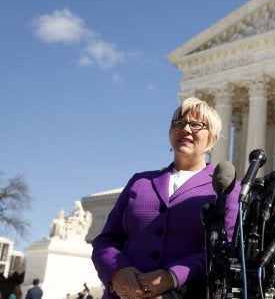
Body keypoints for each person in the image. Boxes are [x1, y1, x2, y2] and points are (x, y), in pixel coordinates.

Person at [91, 97, 240, 299]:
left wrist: (172, 277)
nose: (186, 129)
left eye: (196, 125)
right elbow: (106, 239)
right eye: (179, 123)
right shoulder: (140, 181)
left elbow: (223, 250)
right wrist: (117, 270)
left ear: (212, 138)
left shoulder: (227, 188)